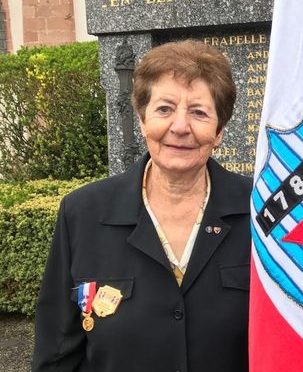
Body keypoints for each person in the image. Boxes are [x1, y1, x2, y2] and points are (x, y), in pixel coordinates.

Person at [32, 40, 251, 371]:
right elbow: (58, 353)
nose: (180, 127)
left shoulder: (261, 210)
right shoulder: (83, 213)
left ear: (218, 130)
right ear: (142, 119)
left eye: (198, 112)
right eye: (164, 109)